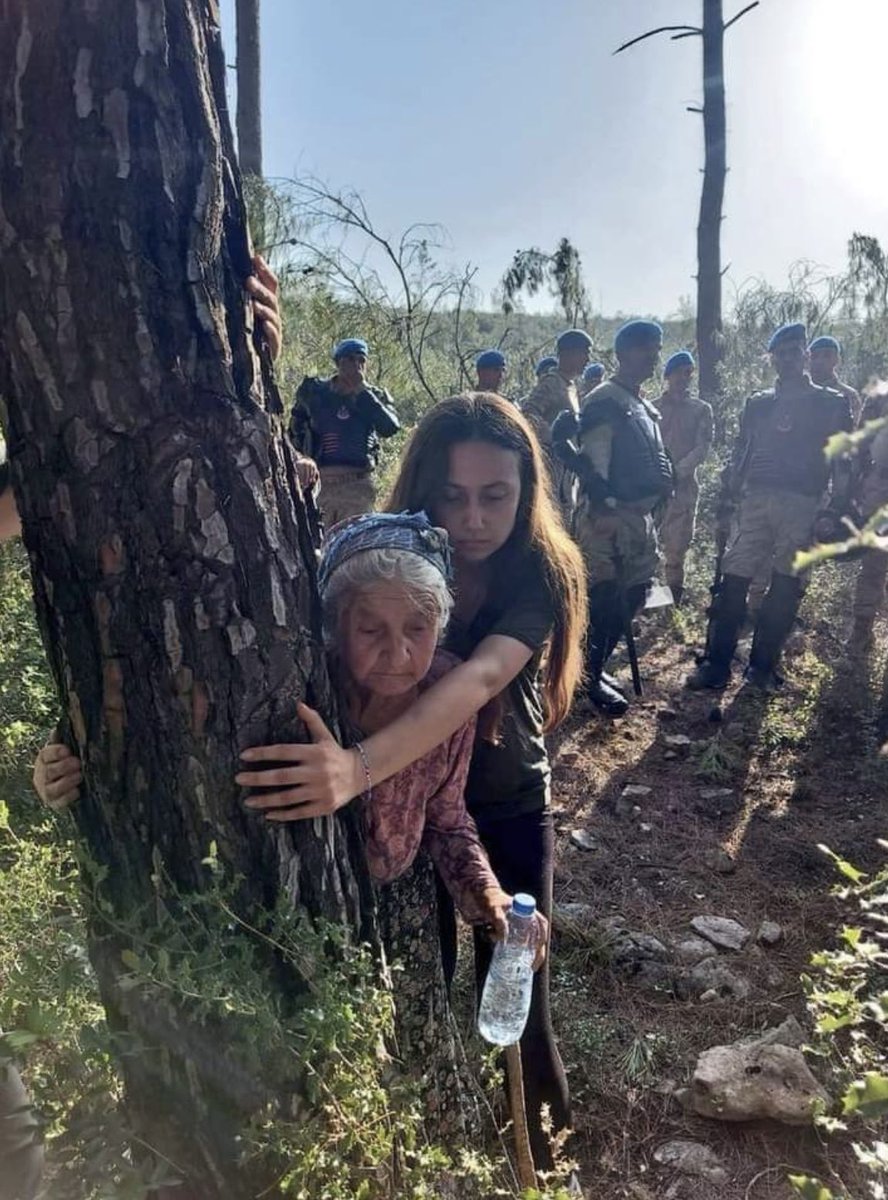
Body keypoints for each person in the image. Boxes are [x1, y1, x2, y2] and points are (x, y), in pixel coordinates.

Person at [237, 394, 587, 1173]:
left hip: (503, 797)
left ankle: (547, 1165)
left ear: (526, 491)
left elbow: (479, 679)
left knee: (520, 987)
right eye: (452, 496)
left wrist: (357, 769)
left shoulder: (537, 570)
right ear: (422, 492)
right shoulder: (386, 556)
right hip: (411, 797)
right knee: (421, 974)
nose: (473, 518)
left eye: (495, 496)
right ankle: (439, 1149)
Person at [687, 323, 853, 692]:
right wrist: (727, 496)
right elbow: (742, 452)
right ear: (772, 359)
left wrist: (835, 508)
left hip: (804, 501)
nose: (788, 359)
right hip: (756, 499)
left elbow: (843, 463)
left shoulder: (831, 403)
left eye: (795, 352)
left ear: (806, 355)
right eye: (780, 353)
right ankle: (716, 665)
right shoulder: (759, 403)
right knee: (734, 575)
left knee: (786, 583)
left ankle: (761, 669)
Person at [552, 320, 673, 716]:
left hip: (638, 518)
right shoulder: (607, 399)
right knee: (604, 601)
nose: (652, 355)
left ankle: (594, 668)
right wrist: (602, 510)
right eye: (643, 347)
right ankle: (583, 678)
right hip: (610, 517)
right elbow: (595, 463)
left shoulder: (642, 404)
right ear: (623, 353)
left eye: (655, 347)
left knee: (633, 595)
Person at [289, 338, 400, 526]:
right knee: (318, 545)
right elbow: (292, 434)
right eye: (350, 359)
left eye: (361, 360)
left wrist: (362, 392)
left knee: (353, 546)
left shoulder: (373, 397)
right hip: (320, 484)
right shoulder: (314, 393)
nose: (357, 365)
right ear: (339, 362)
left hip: (358, 487)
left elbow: (389, 428)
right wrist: (301, 460)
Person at [655, 351, 713, 605]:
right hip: (652, 488)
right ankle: (648, 600)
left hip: (683, 488)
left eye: (688, 372)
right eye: (678, 372)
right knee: (646, 545)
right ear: (668, 375)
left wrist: (678, 471)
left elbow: (702, 447)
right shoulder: (652, 408)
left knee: (676, 547)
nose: (683, 377)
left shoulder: (701, 410)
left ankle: (672, 600)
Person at [521, 328, 592, 524]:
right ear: (568, 353)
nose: (588, 359)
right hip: (550, 468)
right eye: (584, 352)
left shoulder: (570, 386)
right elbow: (528, 414)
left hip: (566, 472)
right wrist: (552, 436)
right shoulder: (551, 383)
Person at [848, 383, 888, 655]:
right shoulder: (880, 396)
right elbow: (861, 442)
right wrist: (856, 485)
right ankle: (861, 631)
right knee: (874, 561)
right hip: (881, 489)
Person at [809, 335, 861, 425]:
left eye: (827, 355)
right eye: (814, 356)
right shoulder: (799, 392)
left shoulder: (848, 395)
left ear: (837, 359)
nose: (820, 361)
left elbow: (854, 429)